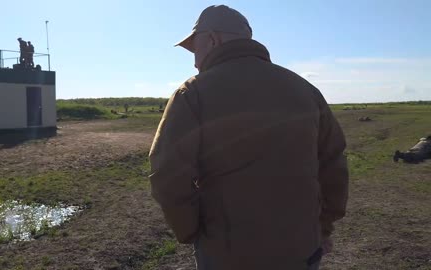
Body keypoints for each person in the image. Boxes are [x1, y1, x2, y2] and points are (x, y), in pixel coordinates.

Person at [149, 5, 349, 270]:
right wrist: (322, 229)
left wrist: (192, 232)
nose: (195, 60)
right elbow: (333, 166)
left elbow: (168, 175)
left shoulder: (192, 93)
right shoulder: (305, 90)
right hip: (302, 249)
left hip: (227, 254)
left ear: (211, 39)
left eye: (194, 48)